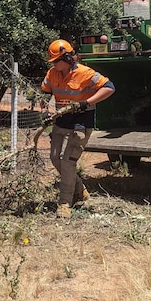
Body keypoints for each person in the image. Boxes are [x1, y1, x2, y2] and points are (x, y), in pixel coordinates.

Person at [41, 39, 115, 219]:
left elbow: (110, 88)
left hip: (80, 124)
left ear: (67, 58)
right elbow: (44, 93)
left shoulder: (85, 73)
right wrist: (44, 110)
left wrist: (86, 102)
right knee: (54, 158)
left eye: (56, 60)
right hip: (61, 122)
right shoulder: (52, 73)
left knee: (67, 162)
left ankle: (65, 203)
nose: (54, 64)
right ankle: (80, 188)